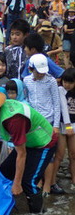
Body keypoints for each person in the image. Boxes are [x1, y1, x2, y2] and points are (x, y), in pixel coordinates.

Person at [0, 90, 57, 213]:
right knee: (4, 172)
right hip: (26, 141)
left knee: (29, 182)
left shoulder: (13, 120)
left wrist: (17, 184)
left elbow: (21, 154)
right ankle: (7, 207)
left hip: (43, 143)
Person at [24, 53, 62, 196]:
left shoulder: (51, 81)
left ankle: (47, 185)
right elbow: (27, 99)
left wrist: (56, 125)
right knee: (35, 153)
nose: (40, 75)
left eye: (42, 72)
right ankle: (37, 182)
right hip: (34, 123)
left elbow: (56, 103)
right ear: (31, 68)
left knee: (49, 155)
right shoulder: (26, 80)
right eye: (38, 72)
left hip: (49, 121)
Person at [54, 69, 75, 191]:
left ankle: (74, 178)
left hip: (74, 124)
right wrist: (67, 126)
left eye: (70, 82)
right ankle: (52, 180)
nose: (67, 85)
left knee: (73, 154)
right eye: (65, 82)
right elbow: (63, 107)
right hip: (63, 124)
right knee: (60, 154)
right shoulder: (61, 90)